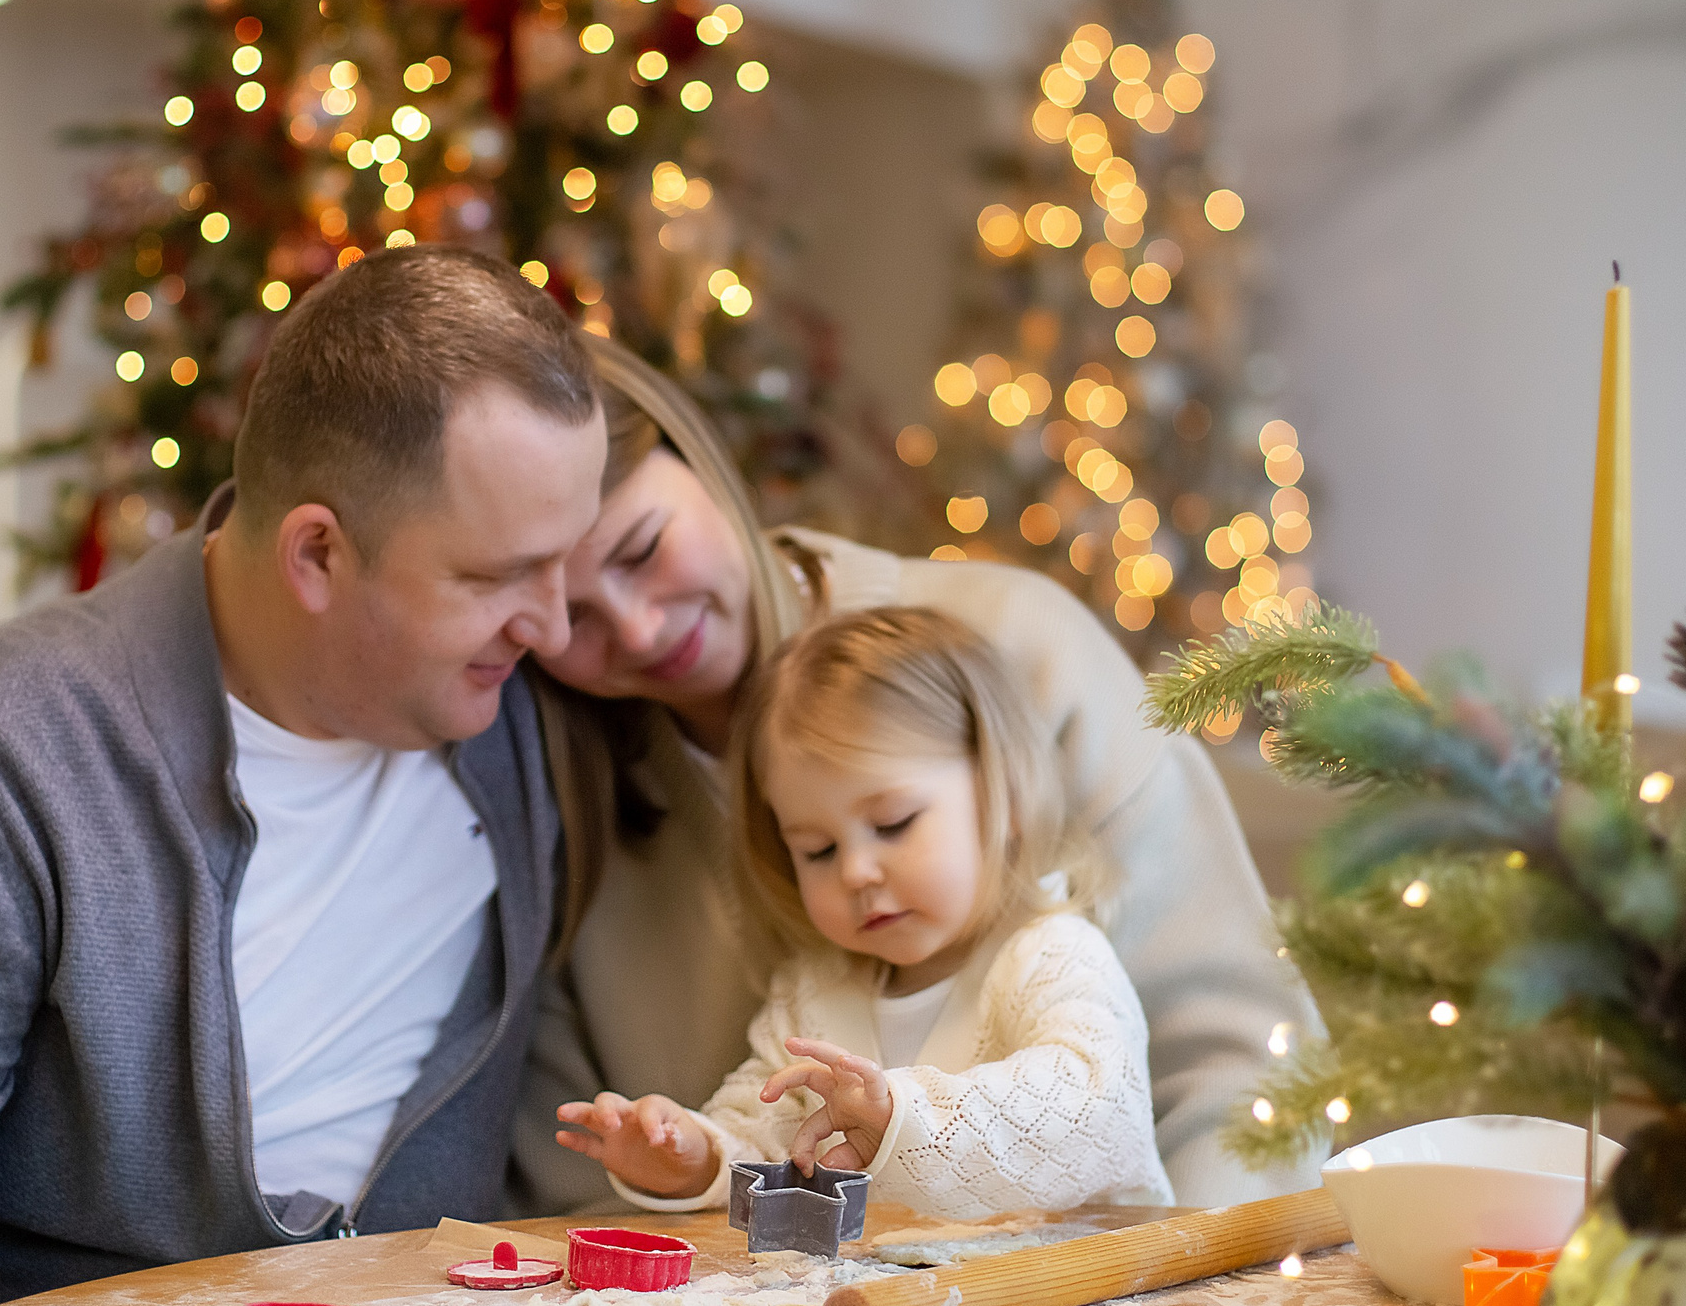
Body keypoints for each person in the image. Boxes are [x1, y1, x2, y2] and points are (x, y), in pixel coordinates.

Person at [0, 246, 605, 1306]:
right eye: (495, 576)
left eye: (566, 562)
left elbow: (799, 677)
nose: (557, 627)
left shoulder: (534, 722)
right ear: (317, 552)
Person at [513, 338, 1323, 1212]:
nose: (638, 629)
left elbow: (1231, 1074)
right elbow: (739, 1132)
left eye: (641, 549)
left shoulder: (1025, 663)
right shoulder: (561, 792)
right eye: (569, 615)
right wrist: (696, 1159)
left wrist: (1184, 1291)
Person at [555, 607, 1173, 1217]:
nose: (855, 871)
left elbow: (1099, 1109)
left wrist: (898, 1115)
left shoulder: (1051, 955)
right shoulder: (815, 995)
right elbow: (770, 1141)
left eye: (893, 823)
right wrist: (696, 1157)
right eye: (818, 850)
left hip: (1093, 1281)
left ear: (1005, 797)